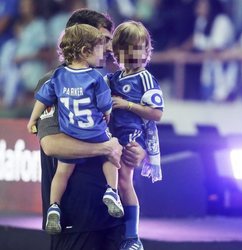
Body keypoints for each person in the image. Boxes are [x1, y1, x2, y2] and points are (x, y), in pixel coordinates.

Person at [34, 9, 146, 250]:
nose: (109, 48)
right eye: (103, 40)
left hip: (115, 222)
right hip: (75, 220)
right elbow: (52, 145)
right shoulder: (53, 82)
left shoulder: (112, 84)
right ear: (82, 42)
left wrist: (138, 152)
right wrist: (103, 147)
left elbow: (126, 136)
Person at [28, 23, 124, 234]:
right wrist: (107, 113)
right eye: (100, 48)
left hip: (70, 133)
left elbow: (42, 99)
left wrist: (32, 120)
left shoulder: (58, 77)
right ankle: (112, 191)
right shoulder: (96, 78)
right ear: (85, 51)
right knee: (111, 155)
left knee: (62, 173)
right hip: (95, 132)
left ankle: (54, 207)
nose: (105, 53)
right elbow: (105, 107)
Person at [107, 20, 164, 250]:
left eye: (141, 48)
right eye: (129, 48)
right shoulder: (114, 78)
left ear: (148, 50)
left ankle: (133, 237)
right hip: (111, 136)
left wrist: (127, 105)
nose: (135, 53)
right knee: (110, 181)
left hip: (132, 137)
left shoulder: (146, 79)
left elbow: (157, 114)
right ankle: (116, 230)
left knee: (123, 180)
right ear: (117, 51)